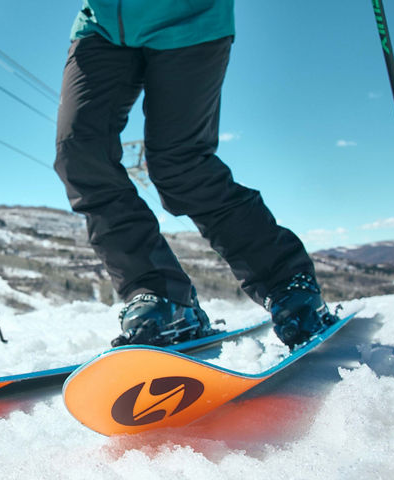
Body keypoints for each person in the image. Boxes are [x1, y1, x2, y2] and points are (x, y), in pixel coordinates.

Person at [54, 0, 335, 350]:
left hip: (190, 19)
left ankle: (287, 282)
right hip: (102, 26)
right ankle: (161, 296)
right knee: (80, 155)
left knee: (179, 165)